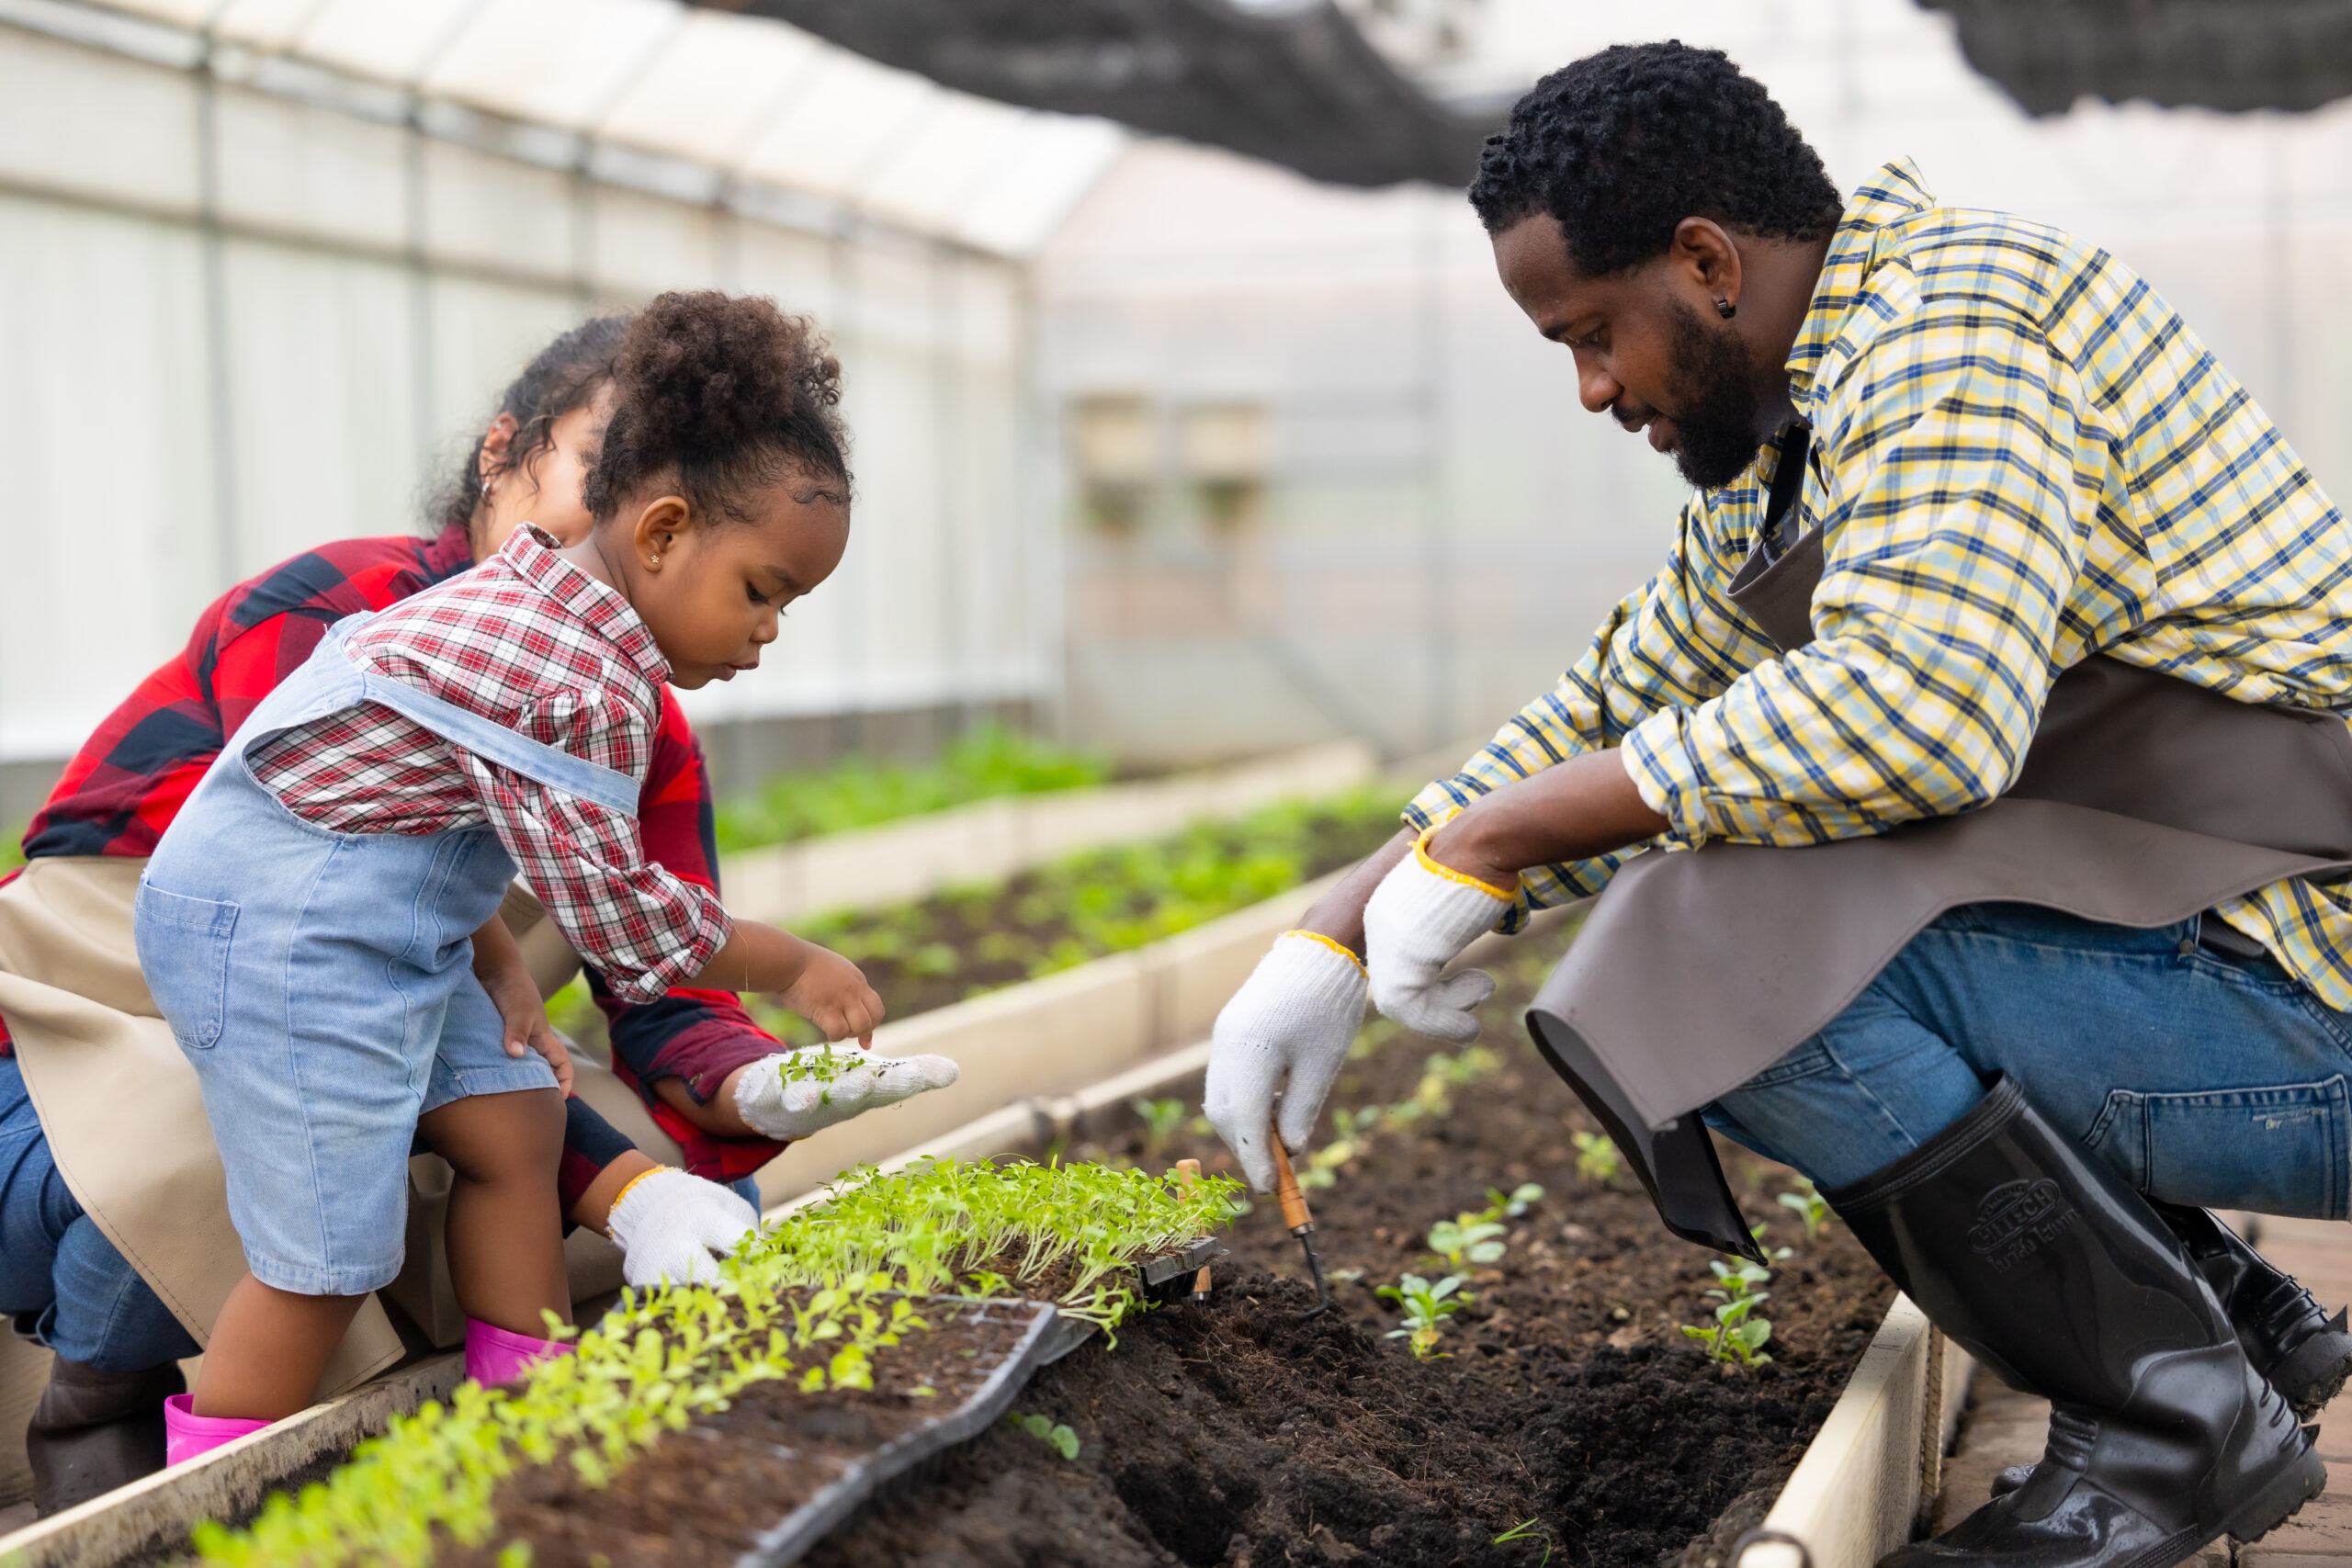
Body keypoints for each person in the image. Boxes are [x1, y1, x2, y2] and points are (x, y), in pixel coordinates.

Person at [1205, 42, 2352, 1568]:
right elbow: (1628, 698)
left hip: (2317, 998)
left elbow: (1925, 711)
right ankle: (2213, 1313)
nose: (1594, 388)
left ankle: (2172, 1422)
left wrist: (1499, 844)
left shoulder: (1958, 333)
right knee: (1725, 889)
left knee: (1707, 944)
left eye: (1594, 334)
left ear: (1706, 261)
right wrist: (1342, 921)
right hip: (2237, 963)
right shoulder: (1797, 428)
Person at [0, 310, 950, 1513]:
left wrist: (530, 974)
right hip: (271, 940)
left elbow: (408, 818)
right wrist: (792, 964)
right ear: (656, 527)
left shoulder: (542, 608)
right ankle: (199, 1507)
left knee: (512, 1128)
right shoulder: (569, 681)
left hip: (369, 919)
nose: (769, 631)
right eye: (765, 594)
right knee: (325, 1259)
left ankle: (528, 1427)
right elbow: (623, 924)